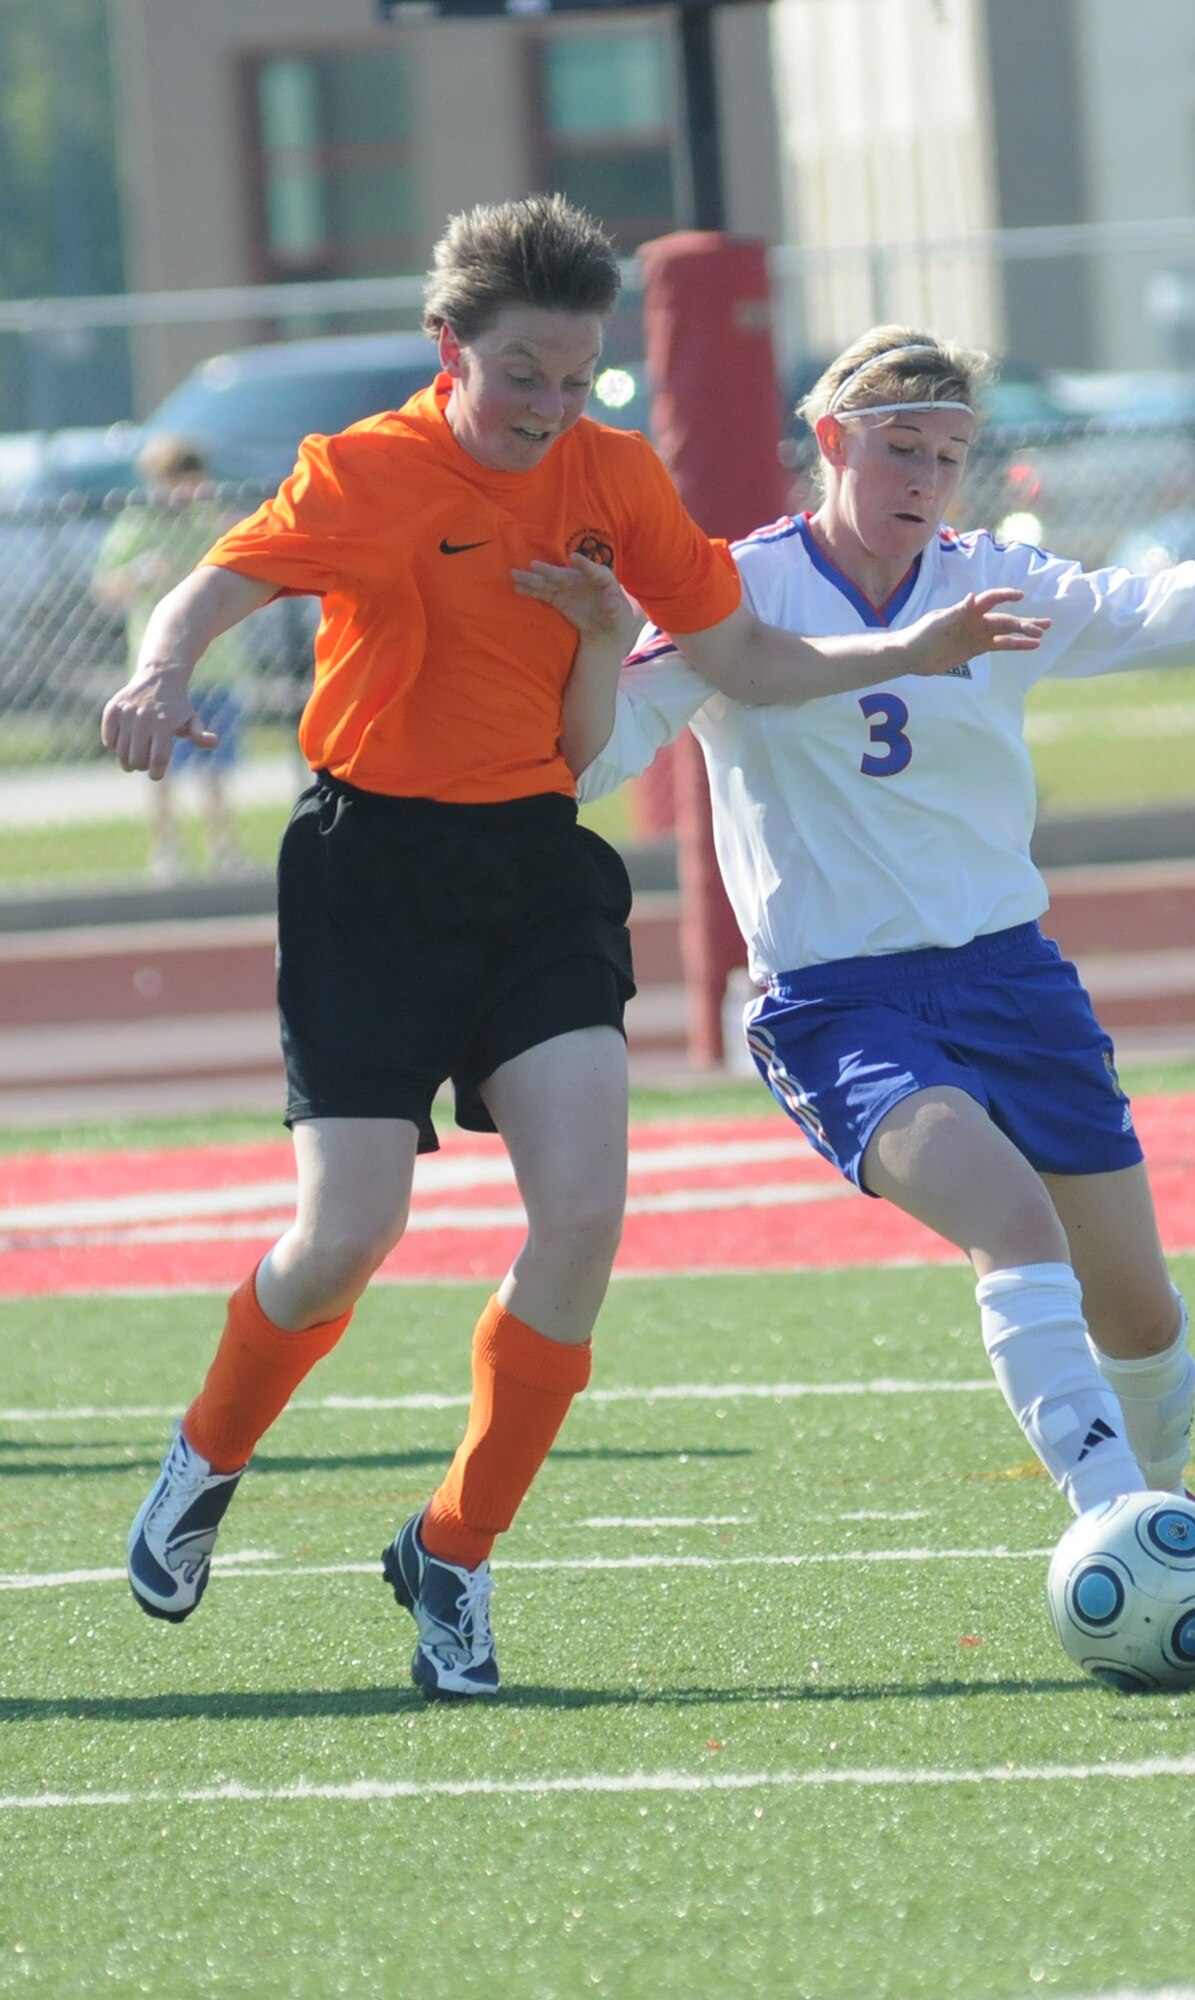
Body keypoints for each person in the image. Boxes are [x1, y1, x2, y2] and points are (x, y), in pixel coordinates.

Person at [100, 210, 1039, 1700]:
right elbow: (216, 581)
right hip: (369, 876)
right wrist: (159, 668)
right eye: (520, 373)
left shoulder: (616, 478)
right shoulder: (368, 470)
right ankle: (207, 1453)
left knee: (586, 1214)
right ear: (448, 350)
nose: (549, 405)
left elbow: (741, 658)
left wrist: (905, 652)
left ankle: (453, 1551)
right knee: (347, 1232)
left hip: (536, 871)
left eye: (577, 376)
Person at [525, 324, 1195, 1606]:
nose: (923, 475)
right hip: (839, 1002)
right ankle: (1121, 1523)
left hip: (1013, 979)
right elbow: (587, 759)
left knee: (1137, 1309)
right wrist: (591, 639)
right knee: (1011, 1226)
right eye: (900, 446)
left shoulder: (993, 576)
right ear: (834, 443)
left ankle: (1169, 1511)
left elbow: (1173, 608)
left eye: (949, 454)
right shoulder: (733, 591)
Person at [92, 437, 246, 880]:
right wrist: (140, 571)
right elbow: (105, 589)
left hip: (215, 667)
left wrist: (216, 512)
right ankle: (166, 852)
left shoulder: (209, 518)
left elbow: (249, 546)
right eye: (177, 480)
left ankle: (223, 847)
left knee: (216, 768)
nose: (185, 491)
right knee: (160, 769)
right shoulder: (138, 522)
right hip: (156, 675)